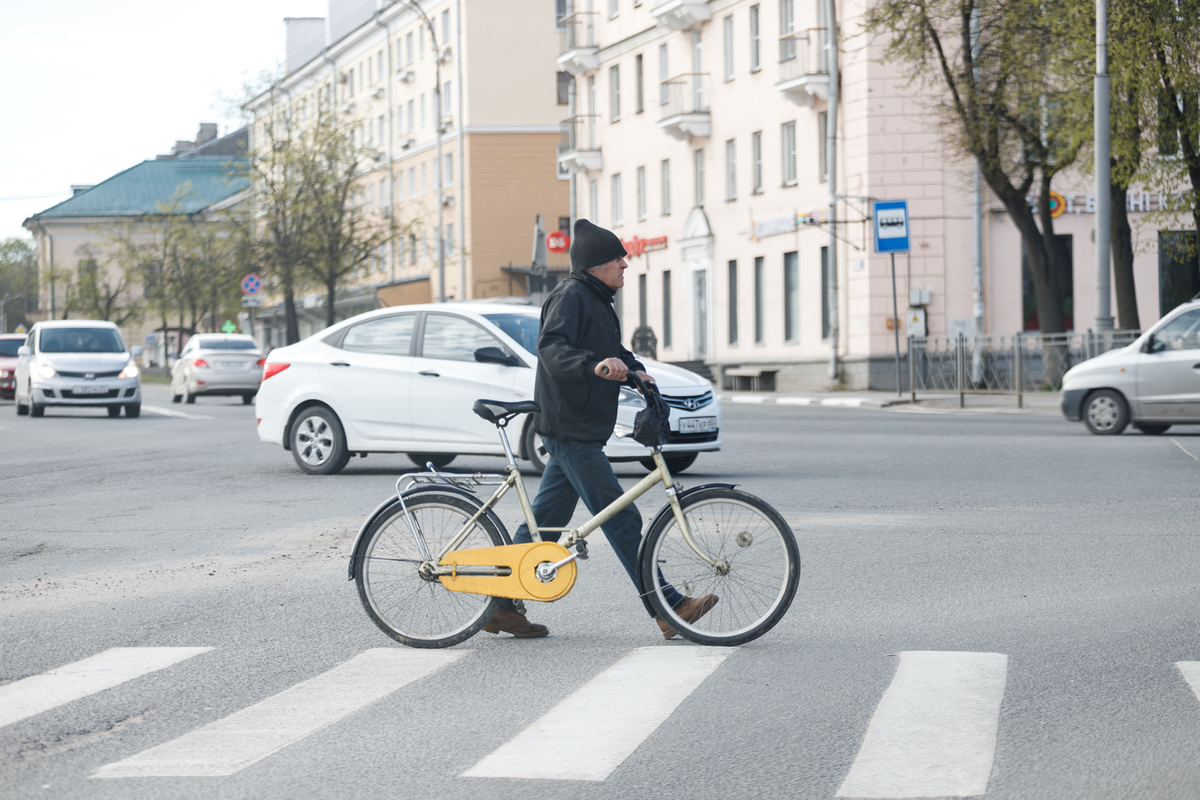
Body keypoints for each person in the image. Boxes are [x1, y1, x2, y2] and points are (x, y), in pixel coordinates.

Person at [483, 219, 717, 640]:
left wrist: (637, 372)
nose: (625, 264)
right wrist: (594, 366)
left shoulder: (597, 299)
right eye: (617, 259)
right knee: (622, 519)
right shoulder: (571, 295)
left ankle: (499, 604)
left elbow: (614, 353)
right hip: (569, 428)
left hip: (581, 428)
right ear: (595, 265)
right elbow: (552, 349)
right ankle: (668, 608)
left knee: (544, 525)